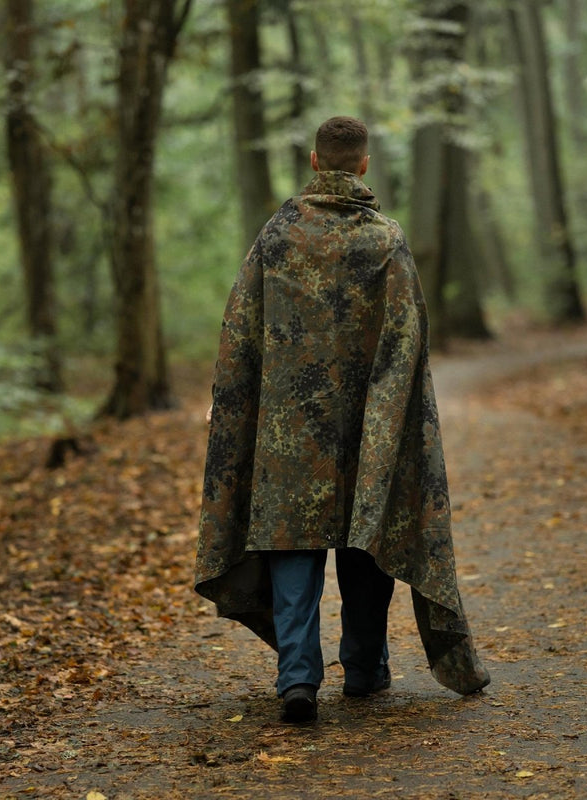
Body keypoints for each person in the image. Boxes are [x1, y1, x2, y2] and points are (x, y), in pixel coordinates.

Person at [195, 116, 489, 724]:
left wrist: (232, 406)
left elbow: (239, 332)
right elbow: (409, 340)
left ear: (312, 162)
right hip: (365, 427)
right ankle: (363, 669)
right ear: (363, 164)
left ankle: (298, 679)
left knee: (291, 543)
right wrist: (397, 420)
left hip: (287, 431)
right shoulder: (385, 239)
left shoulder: (276, 238)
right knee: (366, 538)